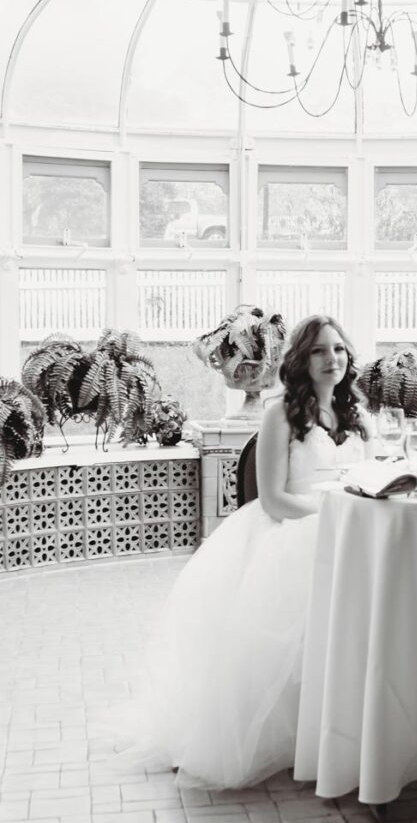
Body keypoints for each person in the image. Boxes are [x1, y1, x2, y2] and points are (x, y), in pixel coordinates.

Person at [119, 314, 372, 789]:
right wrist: (332, 513)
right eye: (319, 350)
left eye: (338, 349)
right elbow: (272, 499)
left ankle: (345, 726)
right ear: (301, 359)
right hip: (295, 530)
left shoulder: (357, 414)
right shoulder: (280, 415)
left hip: (351, 529)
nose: (331, 359)